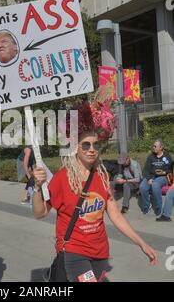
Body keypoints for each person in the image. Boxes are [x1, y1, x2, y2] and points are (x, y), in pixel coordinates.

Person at [32, 98, 158, 282]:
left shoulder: (102, 177)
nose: (91, 149)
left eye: (95, 145)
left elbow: (115, 215)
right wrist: (36, 187)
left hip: (100, 251)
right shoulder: (61, 178)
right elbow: (39, 212)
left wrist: (141, 243)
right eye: (86, 145)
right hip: (74, 251)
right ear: (76, 148)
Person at [140, 139, 172, 216]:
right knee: (142, 187)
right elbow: (145, 170)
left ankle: (158, 208)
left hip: (163, 177)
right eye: (153, 146)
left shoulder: (167, 156)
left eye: (155, 146)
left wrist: (163, 172)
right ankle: (146, 206)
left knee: (155, 185)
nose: (153, 147)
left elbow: (170, 169)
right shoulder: (151, 156)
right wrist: (149, 178)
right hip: (151, 176)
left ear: (161, 147)